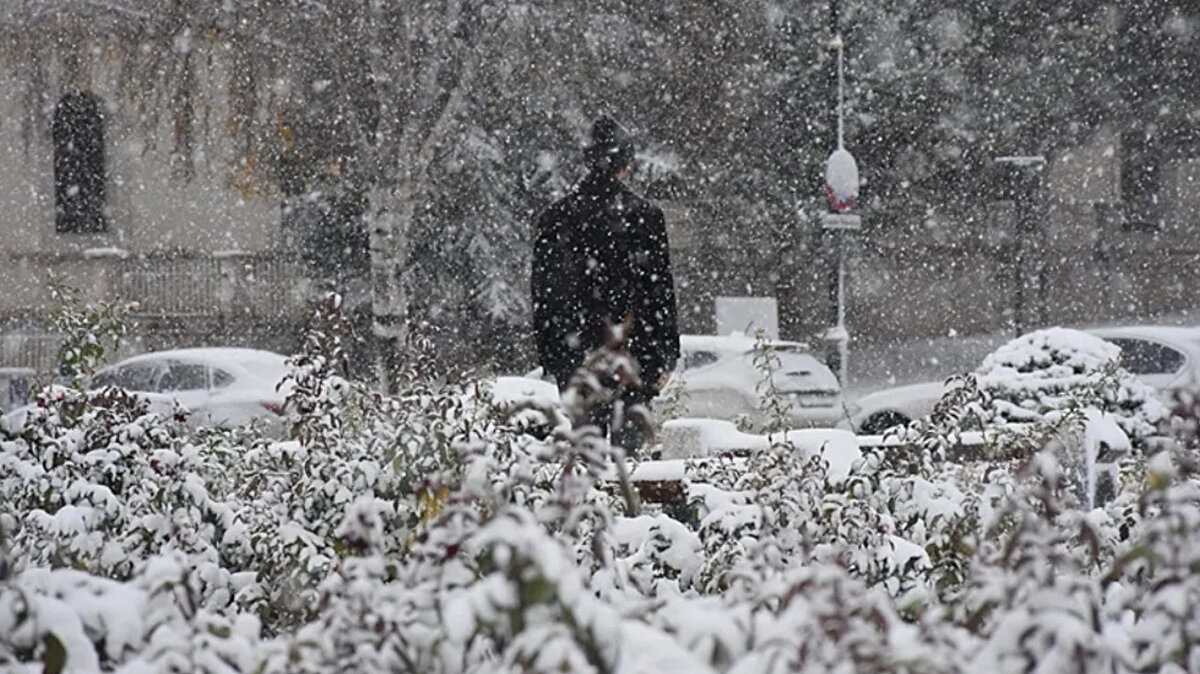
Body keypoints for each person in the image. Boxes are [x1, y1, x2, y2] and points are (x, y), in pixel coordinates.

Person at [531, 115, 680, 453]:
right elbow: (659, 294)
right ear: (626, 165)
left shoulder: (557, 219)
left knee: (587, 457)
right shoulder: (646, 218)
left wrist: (554, 358)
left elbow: (545, 297)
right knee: (630, 460)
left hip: (578, 358)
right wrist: (666, 355)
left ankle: (594, 502)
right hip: (634, 358)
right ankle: (630, 504)